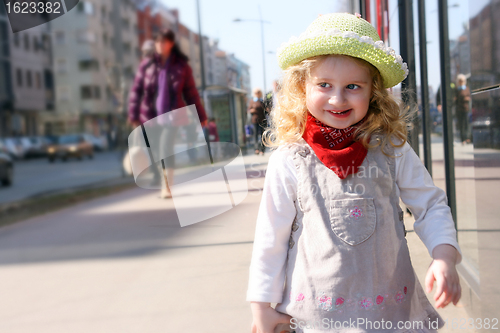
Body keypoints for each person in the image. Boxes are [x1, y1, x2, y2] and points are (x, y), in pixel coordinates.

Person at [247, 13, 462, 333]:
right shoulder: (290, 158)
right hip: (318, 316)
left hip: (390, 312)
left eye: (353, 86)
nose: (337, 98)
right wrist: (261, 306)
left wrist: (444, 256)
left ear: (373, 91)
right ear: (301, 87)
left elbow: (429, 205)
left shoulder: (390, 148)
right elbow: (271, 237)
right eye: (324, 85)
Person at [128, 28, 208, 199]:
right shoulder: (147, 65)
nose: (159, 45)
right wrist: (133, 114)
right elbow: (137, 90)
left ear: (171, 44)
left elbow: (191, 93)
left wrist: (201, 115)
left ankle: (167, 186)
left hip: (172, 116)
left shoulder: (182, 67)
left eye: (163, 41)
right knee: (156, 151)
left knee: (165, 147)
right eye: (157, 41)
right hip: (150, 116)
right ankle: (164, 180)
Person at [248, 88, 266, 155]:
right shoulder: (252, 101)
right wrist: (251, 111)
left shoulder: (262, 101)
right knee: (255, 135)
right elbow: (249, 109)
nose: (257, 94)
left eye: (258, 92)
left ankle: (262, 149)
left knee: (262, 136)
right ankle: (256, 149)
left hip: (262, 120)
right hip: (255, 120)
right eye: (255, 92)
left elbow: (266, 110)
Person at [454, 74, 471, 144]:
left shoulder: (466, 88)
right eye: (460, 81)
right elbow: (455, 99)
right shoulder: (457, 89)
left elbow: (468, 97)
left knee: (466, 123)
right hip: (459, 109)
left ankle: (467, 138)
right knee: (461, 124)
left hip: (466, 109)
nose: (461, 82)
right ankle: (462, 139)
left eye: (462, 81)